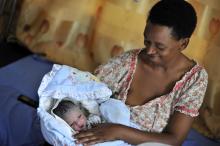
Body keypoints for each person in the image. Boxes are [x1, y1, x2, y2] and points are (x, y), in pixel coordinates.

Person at [74, 0, 208, 146]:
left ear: (183, 44)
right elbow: (84, 94)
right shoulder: (125, 64)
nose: (149, 51)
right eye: (147, 42)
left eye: (160, 47)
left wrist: (118, 132)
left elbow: (174, 140)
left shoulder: (194, 80)